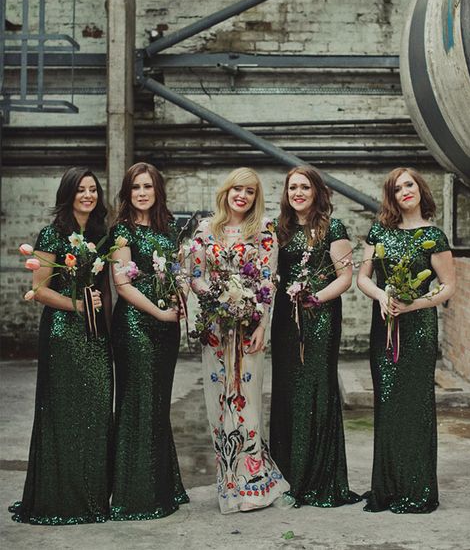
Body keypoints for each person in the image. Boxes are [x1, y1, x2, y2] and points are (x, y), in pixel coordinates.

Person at [9, 167, 113, 525]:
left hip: (95, 334)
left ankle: (92, 497)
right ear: (68, 194)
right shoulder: (53, 234)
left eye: (93, 189)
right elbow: (40, 290)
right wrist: (78, 305)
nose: (88, 195)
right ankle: (60, 499)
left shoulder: (100, 235)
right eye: (81, 190)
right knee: (64, 415)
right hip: (63, 334)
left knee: (97, 411)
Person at [190, 167, 289, 514]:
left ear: (254, 198)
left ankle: (254, 483)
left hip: (249, 328)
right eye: (237, 189)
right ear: (227, 191)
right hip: (217, 329)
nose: (242, 196)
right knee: (220, 402)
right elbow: (195, 277)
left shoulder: (264, 233)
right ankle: (229, 483)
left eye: (249, 192)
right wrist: (217, 298)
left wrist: (261, 323)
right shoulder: (206, 230)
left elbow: (267, 282)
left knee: (247, 399)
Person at [357, 167, 455, 514]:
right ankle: (386, 488)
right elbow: (362, 277)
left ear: (419, 188)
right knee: (387, 404)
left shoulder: (434, 236)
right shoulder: (380, 232)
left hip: (418, 330)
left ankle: (417, 488)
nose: (405, 191)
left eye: (409, 184)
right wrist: (383, 295)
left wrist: (416, 302)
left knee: (414, 407)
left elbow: (448, 286)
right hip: (383, 324)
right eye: (397, 189)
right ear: (392, 197)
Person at [270, 165, 360, 508]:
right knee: (288, 391)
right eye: (293, 187)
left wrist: (314, 298)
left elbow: (344, 278)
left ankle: (319, 478)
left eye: (304, 187)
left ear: (316, 192)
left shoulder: (333, 227)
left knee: (316, 389)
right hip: (285, 322)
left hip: (319, 318)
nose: (298, 193)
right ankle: (288, 475)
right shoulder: (282, 230)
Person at [110, 162, 189, 520]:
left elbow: (179, 274)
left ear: (157, 190)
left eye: (148, 186)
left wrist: (178, 298)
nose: (142, 192)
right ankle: (134, 494)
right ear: (127, 193)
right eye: (135, 187)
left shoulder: (170, 229)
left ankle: (162, 485)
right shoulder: (121, 232)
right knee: (137, 403)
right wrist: (157, 313)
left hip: (166, 327)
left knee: (157, 403)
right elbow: (122, 284)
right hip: (135, 325)